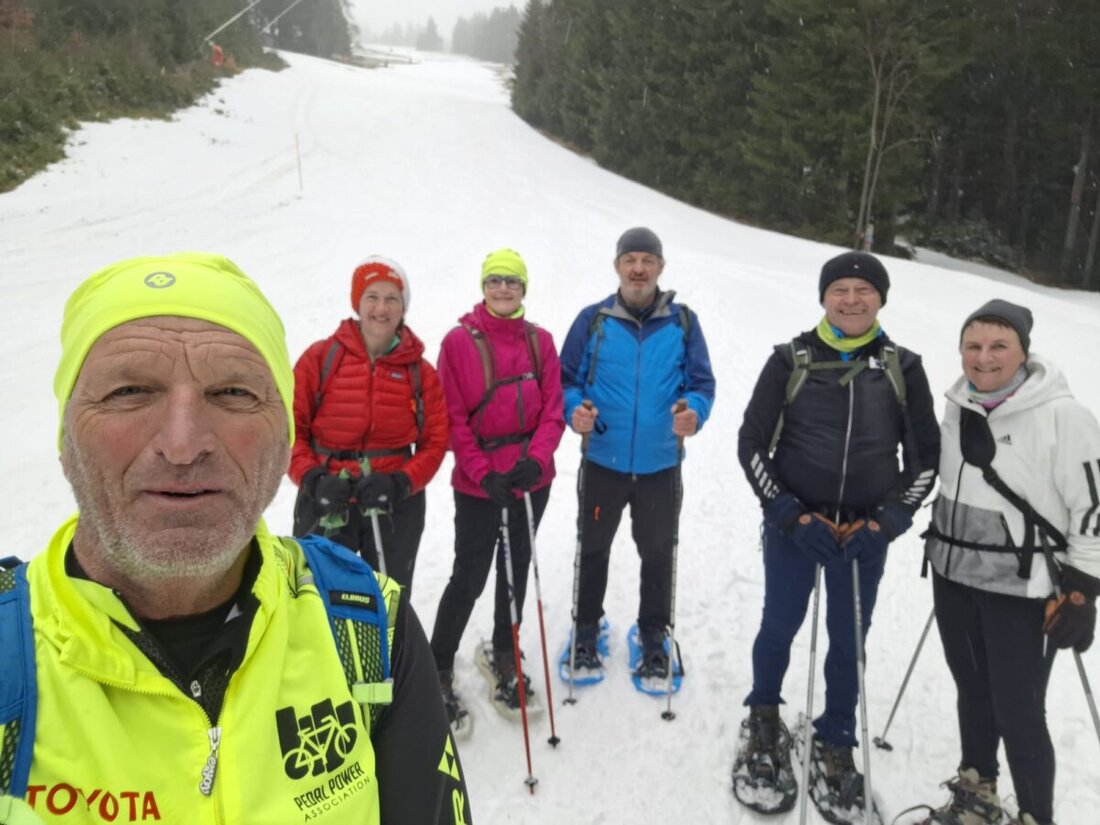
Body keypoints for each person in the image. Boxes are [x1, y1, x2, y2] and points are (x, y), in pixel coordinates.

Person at [0, 253, 471, 825]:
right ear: (64, 436)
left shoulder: (372, 627)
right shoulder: (9, 658)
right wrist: (315, 476)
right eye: (129, 391)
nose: (182, 444)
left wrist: (400, 481)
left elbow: (438, 433)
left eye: (232, 394)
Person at [732, 251, 940, 819]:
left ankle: (835, 737)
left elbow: (926, 459)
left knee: (849, 639)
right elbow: (751, 445)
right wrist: (788, 515)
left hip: (863, 533)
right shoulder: (789, 360)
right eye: (840, 289)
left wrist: (889, 520)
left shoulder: (903, 367)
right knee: (779, 624)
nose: (851, 299)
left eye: (863, 290)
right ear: (824, 297)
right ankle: (765, 721)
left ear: (881, 299)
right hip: (798, 525)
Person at [914, 300, 1100, 825]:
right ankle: (978, 793)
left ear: (1023, 351)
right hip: (955, 578)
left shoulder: (1063, 415)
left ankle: (1036, 815)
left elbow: (1094, 507)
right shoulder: (958, 404)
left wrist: (1082, 591)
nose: (984, 357)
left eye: (999, 345)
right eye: (973, 345)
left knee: (1019, 711)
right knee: (973, 692)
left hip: (1024, 591)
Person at [559, 227, 716, 681]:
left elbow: (701, 385)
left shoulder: (683, 322)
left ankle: (653, 635)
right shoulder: (594, 320)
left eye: (648, 259)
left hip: (660, 465)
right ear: (617, 267)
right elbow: (566, 380)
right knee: (593, 547)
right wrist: (575, 411)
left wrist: (695, 414)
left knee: (657, 552)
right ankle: (586, 629)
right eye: (631, 259)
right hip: (602, 460)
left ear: (661, 268)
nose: (639, 268)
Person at [429, 248, 564, 726]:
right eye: (494, 281)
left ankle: (506, 652)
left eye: (512, 281)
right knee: (470, 572)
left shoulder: (540, 342)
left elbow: (554, 409)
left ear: (524, 288)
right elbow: (451, 416)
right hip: (479, 482)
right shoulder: (458, 343)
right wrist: (482, 471)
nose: (503, 288)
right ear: (483, 287)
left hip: (530, 478)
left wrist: (537, 459)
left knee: (517, 565)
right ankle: (438, 663)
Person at [290, 256, 448, 596]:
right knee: (319, 600)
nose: (381, 307)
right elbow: (289, 430)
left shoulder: (420, 372)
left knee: (388, 599)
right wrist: (313, 480)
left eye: (392, 298)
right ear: (358, 303)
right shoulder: (320, 359)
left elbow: (436, 442)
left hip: (393, 504)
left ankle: (386, 651)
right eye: (372, 296)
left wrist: (400, 482)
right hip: (327, 497)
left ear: (402, 308)